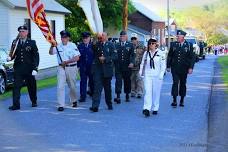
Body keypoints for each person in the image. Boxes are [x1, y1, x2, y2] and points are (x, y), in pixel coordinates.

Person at [8, 25, 39, 110]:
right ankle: (16, 105)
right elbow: (13, 53)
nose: (21, 33)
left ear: (27, 32)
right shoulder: (15, 42)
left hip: (29, 69)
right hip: (18, 69)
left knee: (31, 86)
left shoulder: (32, 42)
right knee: (16, 87)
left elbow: (36, 56)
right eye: (20, 31)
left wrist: (35, 68)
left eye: (23, 31)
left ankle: (34, 101)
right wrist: (10, 57)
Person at [49, 30, 80, 111]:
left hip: (71, 67)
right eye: (62, 37)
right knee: (60, 86)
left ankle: (73, 100)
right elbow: (51, 53)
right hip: (61, 68)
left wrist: (67, 62)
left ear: (68, 38)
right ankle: (61, 104)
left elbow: (77, 57)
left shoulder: (73, 45)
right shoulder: (58, 46)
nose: (63, 39)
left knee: (72, 86)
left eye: (65, 37)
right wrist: (52, 45)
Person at [167, 30, 195, 108]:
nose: (177, 38)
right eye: (177, 36)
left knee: (183, 83)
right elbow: (170, 56)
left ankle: (182, 99)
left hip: (184, 68)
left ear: (183, 37)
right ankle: (174, 99)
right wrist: (168, 66)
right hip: (175, 67)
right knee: (175, 83)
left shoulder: (189, 45)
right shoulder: (173, 44)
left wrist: (191, 67)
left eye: (179, 37)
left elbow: (192, 58)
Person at [89, 32, 117, 112]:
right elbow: (93, 48)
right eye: (100, 36)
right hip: (98, 69)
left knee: (107, 89)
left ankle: (109, 104)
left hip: (107, 70)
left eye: (103, 35)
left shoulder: (111, 45)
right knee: (97, 89)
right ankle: (95, 106)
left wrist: (105, 58)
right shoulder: (97, 44)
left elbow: (115, 56)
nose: (101, 37)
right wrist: (95, 37)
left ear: (106, 36)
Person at [139, 38, 166, 117]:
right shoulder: (146, 53)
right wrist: (141, 73)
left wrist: (161, 74)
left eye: (152, 43)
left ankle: (155, 107)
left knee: (156, 92)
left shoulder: (161, 53)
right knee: (147, 91)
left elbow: (163, 65)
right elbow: (142, 63)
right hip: (148, 74)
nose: (151, 45)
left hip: (157, 75)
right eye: (149, 44)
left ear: (156, 44)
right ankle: (146, 108)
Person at [114, 31, 135, 103]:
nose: (122, 37)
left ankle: (127, 94)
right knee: (118, 81)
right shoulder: (116, 45)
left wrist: (132, 62)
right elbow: (114, 55)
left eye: (123, 36)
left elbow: (132, 55)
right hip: (118, 66)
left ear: (126, 37)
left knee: (127, 81)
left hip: (127, 66)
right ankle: (118, 96)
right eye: (121, 36)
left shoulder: (130, 45)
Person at [77, 32, 94, 102]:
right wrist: (78, 66)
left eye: (86, 38)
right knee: (83, 81)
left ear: (90, 38)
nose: (85, 39)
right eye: (84, 38)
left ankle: (93, 93)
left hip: (91, 67)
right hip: (83, 67)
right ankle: (82, 96)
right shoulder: (80, 46)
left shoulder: (93, 46)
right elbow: (78, 57)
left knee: (92, 81)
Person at [130, 33, 145, 98]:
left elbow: (146, 54)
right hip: (132, 66)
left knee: (139, 79)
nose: (133, 40)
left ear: (137, 39)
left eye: (134, 39)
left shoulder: (141, 46)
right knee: (132, 79)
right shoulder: (129, 47)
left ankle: (140, 92)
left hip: (139, 66)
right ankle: (133, 91)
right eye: (132, 39)